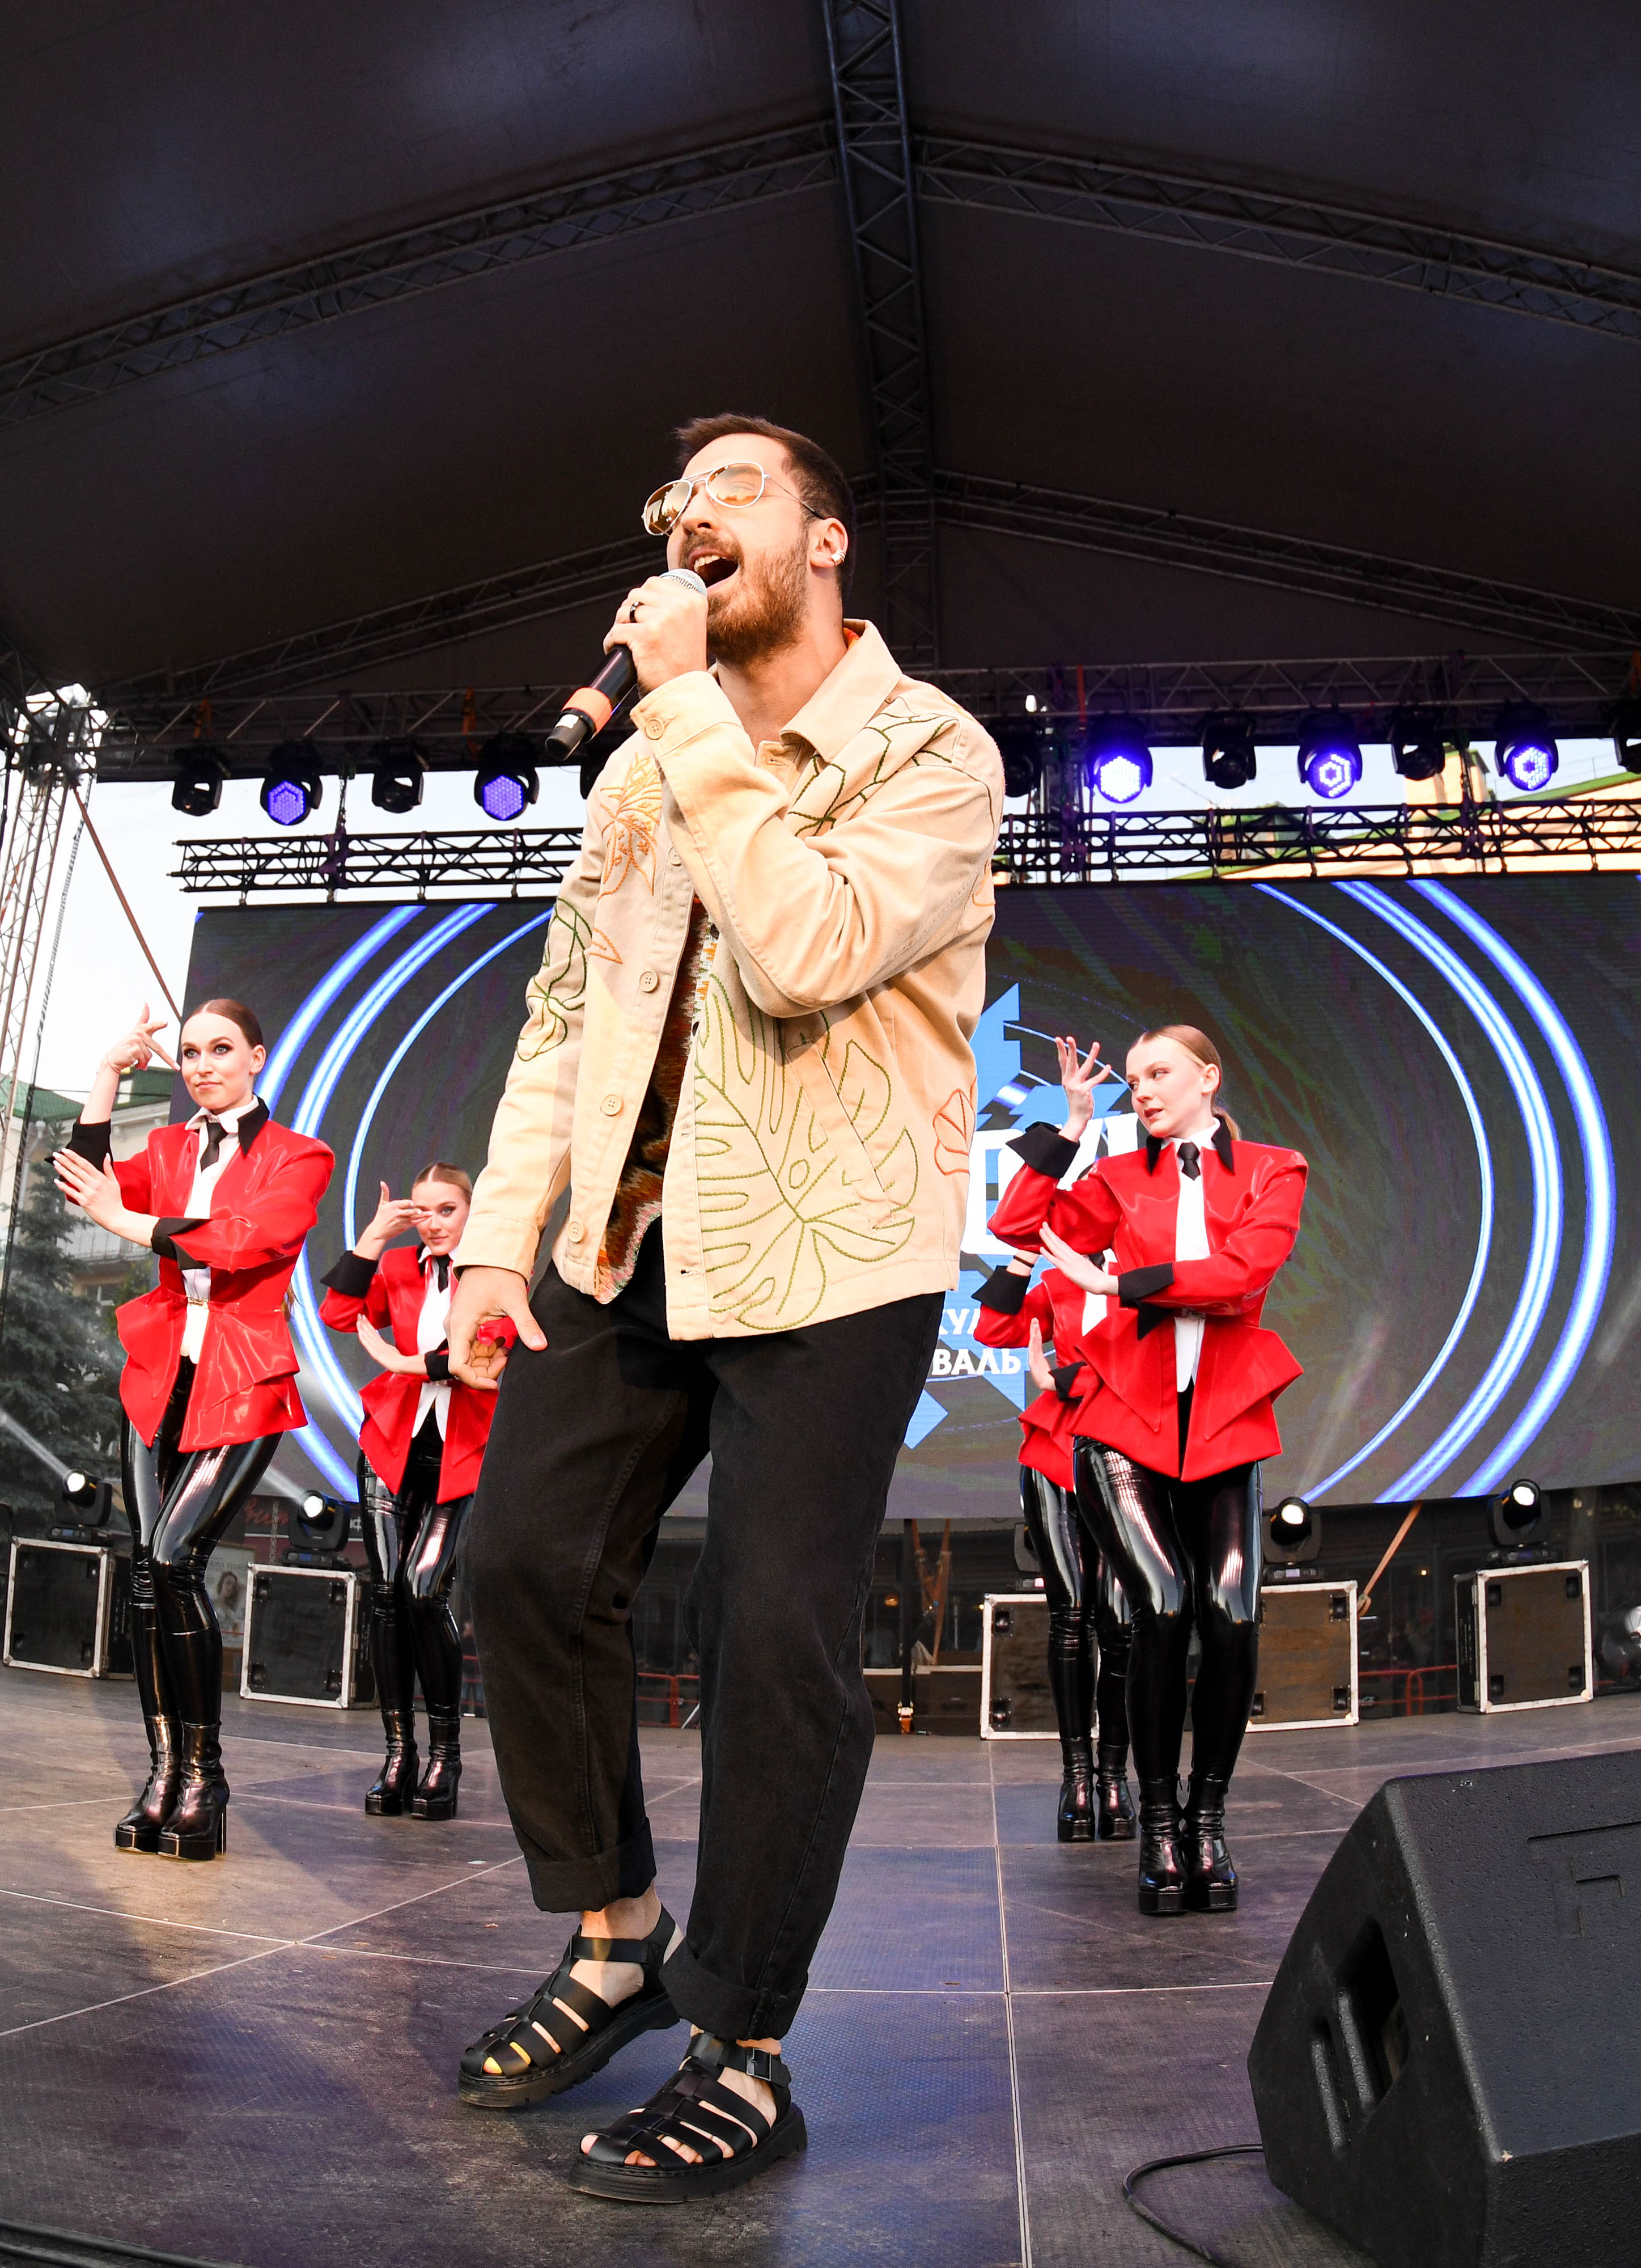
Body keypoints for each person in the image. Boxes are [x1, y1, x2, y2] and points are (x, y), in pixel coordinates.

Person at [440, 413, 1003, 2202]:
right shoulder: (633, 779)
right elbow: (564, 1016)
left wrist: (684, 712)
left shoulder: (932, 751)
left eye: (737, 490)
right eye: (679, 500)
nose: (694, 515)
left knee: (775, 1634)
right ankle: (617, 1937)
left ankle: (743, 2046)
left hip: (835, 1252)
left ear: (824, 540)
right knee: (521, 1563)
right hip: (625, 1236)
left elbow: (808, 949)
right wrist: (494, 1242)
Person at [991, 1027, 1308, 1918]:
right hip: (1120, 1426)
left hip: (1225, 1424)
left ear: (1209, 1076)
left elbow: (1241, 1276)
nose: (1143, 1090)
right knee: (1161, 1609)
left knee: (1232, 1617)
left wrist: (1117, 1286)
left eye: (1158, 1073)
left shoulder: (1276, 1169)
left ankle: (1208, 1824)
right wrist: (1070, 1124)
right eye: (1132, 1080)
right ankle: (1159, 1827)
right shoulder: (1117, 1176)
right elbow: (1017, 1229)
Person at [53, 998, 331, 1863]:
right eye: (192, 1053)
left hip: (243, 1380)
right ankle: (164, 1774)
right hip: (159, 1378)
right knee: (147, 1576)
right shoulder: (172, 1147)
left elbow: (245, 1242)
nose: (204, 1065)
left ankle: (206, 1779)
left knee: (175, 1560)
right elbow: (86, 1179)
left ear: (257, 1057)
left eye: (221, 1049)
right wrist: (108, 1075)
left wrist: (128, 1222)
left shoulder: (301, 1156)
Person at [321, 1166, 503, 1823]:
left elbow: (483, 1362)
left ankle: (446, 1756)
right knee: (388, 1593)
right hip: (390, 1445)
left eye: (446, 1208)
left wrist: (404, 1361)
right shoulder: (398, 1267)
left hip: (464, 1451)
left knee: (425, 1591)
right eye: (421, 1211)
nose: (432, 1222)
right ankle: (399, 1754)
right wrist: (373, 1237)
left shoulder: (496, 1273)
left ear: (472, 1209)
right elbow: (338, 1314)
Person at [972, 1241, 1135, 1840]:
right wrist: (1021, 1259)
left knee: (1121, 1624)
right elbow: (992, 1330)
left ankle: (1114, 1778)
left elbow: (1143, 1368)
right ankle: (1077, 1779)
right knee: (1071, 1613)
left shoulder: (1138, 1286)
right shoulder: (1055, 1288)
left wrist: (1060, 1379)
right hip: (1055, 1456)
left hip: (1124, 1458)